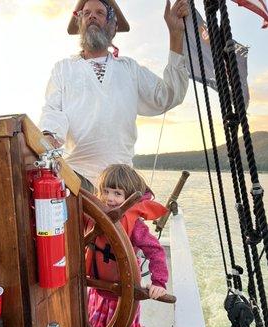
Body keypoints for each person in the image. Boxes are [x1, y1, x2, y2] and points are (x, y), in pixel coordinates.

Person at [39, 0, 189, 191]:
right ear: (80, 24)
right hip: (77, 178)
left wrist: (175, 34)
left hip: (121, 179)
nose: (92, 16)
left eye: (100, 13)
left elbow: (169, 94)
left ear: (113, 26)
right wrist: (49, 137)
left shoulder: (129, 68)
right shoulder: (63, 69)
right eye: (86, 13)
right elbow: (53, 111)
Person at [85, 164, 169, 327]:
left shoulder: (135, 226)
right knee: (94, 325)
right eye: (105, 191)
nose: (109, 198)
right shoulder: (93, 216)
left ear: (130, 197)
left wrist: (159, 282)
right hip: (99, 287)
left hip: (124, 292)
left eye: (117, 193)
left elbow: (156, 251)